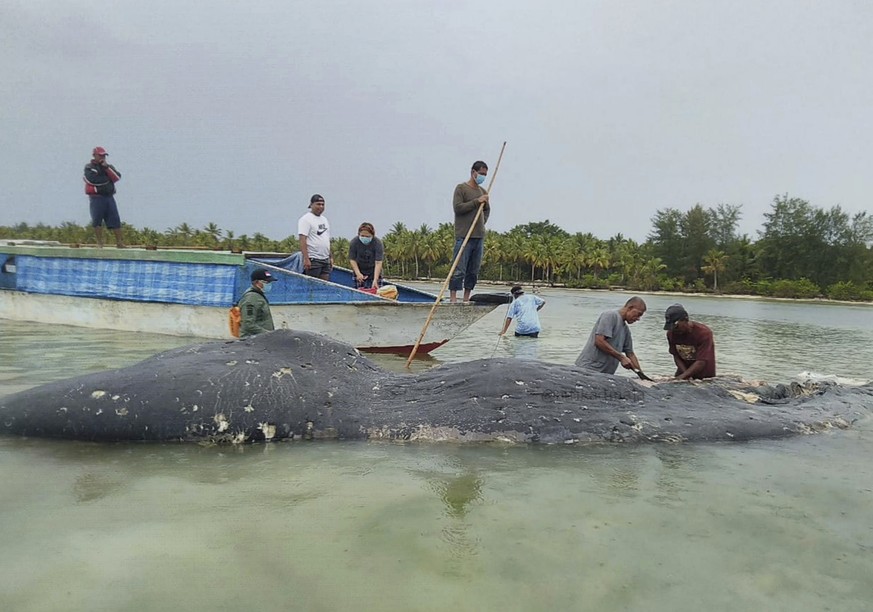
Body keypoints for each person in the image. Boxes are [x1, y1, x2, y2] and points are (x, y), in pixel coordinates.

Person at [450, 160, 490, 303]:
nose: (483, 177)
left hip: (478, 236)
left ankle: (466, 298)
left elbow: (487, 211)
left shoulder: (484, 192)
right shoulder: (461, 188)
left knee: (473, 271)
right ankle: (453, 298)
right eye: (481, 174)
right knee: (459, 269)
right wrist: (476, 202)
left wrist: (482, 222)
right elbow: (458, 208)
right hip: (464, 235)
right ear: (473, 172)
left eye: (485, 174)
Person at [575, 297, 647, 374]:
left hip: (606, 374)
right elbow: (599, 341)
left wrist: (641, 374)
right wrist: (621, 357)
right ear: (630, 308)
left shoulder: (625, 330)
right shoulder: (610, 315)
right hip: (588, 369)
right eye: (638, 314)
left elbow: (630, 354)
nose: (638, 319)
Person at [83, 146, 123, 248]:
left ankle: (119, 242)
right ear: (94, 155)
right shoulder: (89, 167)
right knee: (97, 220)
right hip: (96, 198)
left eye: (104, 155)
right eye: (100, 155)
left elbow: (117, 177)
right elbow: (93, 180)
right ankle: (100, 243)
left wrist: (107, 169)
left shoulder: (108, 167)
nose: (102, 157)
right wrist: (108, 179)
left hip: (109, 197)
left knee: (115, 220)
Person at [664, 303, 717, 379]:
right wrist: (684, 375)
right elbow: (676, 356)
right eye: (671, 328)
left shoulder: (704, 333)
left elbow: (701, 361)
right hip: (683, 372)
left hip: (704, 376)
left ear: (685, 320)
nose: (674, 330)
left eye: (676, 327)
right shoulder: (671, 334)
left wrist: (684, 376)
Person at [298, 194, 332, 281]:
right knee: (312, 284)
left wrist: (330, 257)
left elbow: (326, 239)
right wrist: (306, 258)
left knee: (325, 285)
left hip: (325, 259)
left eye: (322, 204)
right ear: (311, 205)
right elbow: (302, 239)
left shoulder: (324, 219)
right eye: (318, 204)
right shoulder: (306, 219)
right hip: (313, 259)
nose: (320, 206)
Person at [238, 269, 276, 337]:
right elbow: (248, 324)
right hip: (252, 342)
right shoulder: (251, 298)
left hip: (261, 339)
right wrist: (268, 334)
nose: (269, 285)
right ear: (257, 283)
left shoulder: (259, 296)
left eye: (270, 282)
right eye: (266, 282)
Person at [348, 222, 384, 289]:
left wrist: (375, 279)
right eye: (362, 236)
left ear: (372, 235)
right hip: (360, 269)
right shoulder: (354, 242)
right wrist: (358, 273)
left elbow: (378, 262)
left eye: (367, 236)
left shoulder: (378, 243)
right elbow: (352, 260)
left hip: (374, 271)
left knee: (376, 290)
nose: (365, 238)